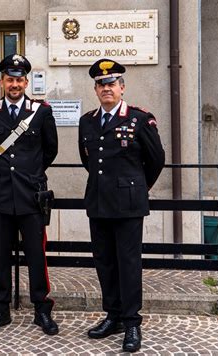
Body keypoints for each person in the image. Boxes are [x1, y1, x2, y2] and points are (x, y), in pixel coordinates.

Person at [78, 58, 165, 352]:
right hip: (99, 202)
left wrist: (137, 187)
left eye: (111, 83)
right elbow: (87, 160)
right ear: (95, 89)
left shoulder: (139, 119)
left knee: (128, 265)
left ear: (122, 87)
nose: (106, 88)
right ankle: (112, 316)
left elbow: (156, 160)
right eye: (101, 85)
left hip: (128, 205)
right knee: (104, 262)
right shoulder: (87, 121)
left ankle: (131, 323)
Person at [0, 54, 59, 335]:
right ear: (2, 81)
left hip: (32, 196)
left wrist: (30, 173)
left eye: (19, 80)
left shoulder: (41, 112)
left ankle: (41, 310)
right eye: (10, 79)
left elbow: (50, 150)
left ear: (26, 82)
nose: (14, 84)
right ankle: (0, 310)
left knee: (37, 255)